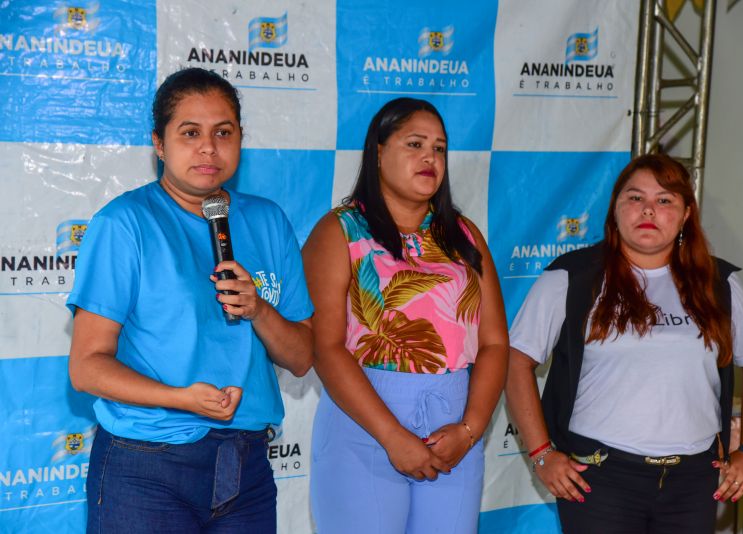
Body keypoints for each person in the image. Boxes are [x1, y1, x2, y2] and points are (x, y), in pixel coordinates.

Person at [67, 67, 313, 533]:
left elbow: (302, 358)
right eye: (190, 133)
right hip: (147, 464)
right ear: (159, 143)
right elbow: (86, 366)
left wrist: (258, 308)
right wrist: (181, 399)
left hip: (246, 464)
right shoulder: (124, 224)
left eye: (223, 132)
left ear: (241, 137)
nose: (208, 148)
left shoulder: (268, 220)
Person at [505, 153, 743, 533]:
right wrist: (541, 454)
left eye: (665, 200)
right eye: (635, 198)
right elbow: (514, 361)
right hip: (598, 479)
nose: (648, 210)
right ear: (615, 210)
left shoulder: (718, 283)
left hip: (694, 483)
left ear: (685, 215)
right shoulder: (572, 277)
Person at [303, 97, 509, 533]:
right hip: (365, 422)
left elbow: (493, 344)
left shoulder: (465, 236)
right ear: (378, 152)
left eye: (439, 148)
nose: (430, 158)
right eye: (414, 144)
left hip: (455, 431)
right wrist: (393, 436)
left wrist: (469, 431)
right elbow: (324, 347)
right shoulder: (338, 231)